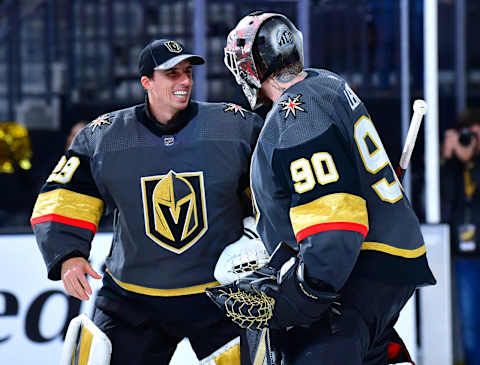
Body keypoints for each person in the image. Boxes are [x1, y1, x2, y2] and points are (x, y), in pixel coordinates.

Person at [208, 11, 436, 364]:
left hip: (351, 277)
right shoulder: (327, 83)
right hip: (379, 269)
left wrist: (307, 291)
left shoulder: (294, 111)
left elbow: (335, 221)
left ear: (250, 67)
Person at [30, 38, 263, 364]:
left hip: (221, 294)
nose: (184, 81)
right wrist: (68, 254)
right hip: (133, 297)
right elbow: (62, 198)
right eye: (172, 74)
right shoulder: (103, 137)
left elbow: (274, 188)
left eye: (187, 72)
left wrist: (259, 233)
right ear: (146, 82)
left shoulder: (235, 125)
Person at [441, 108, 480, 365]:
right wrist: (446, 158)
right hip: (465, 254)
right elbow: (442, 199)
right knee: (470, 323)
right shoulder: (453, 167)